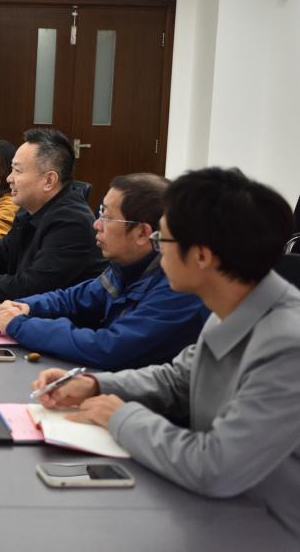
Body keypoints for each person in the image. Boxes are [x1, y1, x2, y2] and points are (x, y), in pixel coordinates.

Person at [31, 168, 300, 539]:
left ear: (201, 256)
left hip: (269, 529)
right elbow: (178, 379)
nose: (157, 249)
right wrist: (95, 384)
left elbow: (216, 464)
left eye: (163, 239)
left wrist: (121, 417)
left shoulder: (288, 344)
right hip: (219, 513)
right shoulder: (232, 305)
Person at [0, 173, 207, 370]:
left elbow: (110, 348)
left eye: (107, 217)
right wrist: (26, 307)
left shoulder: (178, 286)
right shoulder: (125, 266)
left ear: (142, 233)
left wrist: (20, 324)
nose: (96, 224)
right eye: (100, 212)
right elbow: (75, 299)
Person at [0, 128, 105, 301]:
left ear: (49, 180)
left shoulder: (72, 223)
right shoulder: (29, 208)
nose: (9, 178)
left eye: (17, 171)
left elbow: (31, 288)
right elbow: (1, 252)